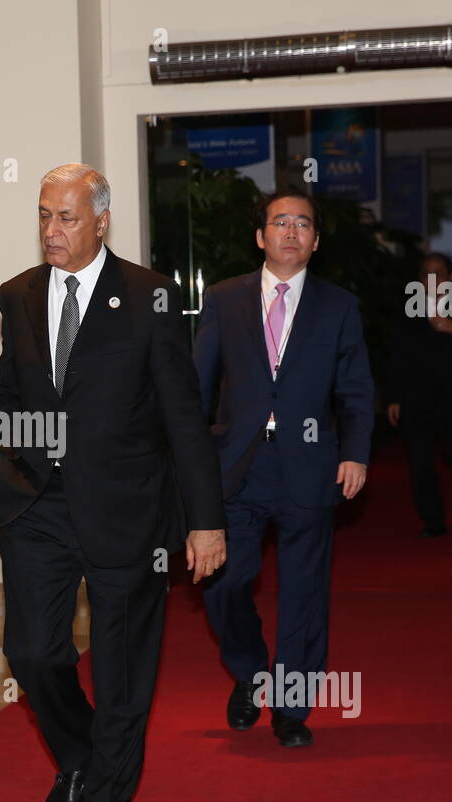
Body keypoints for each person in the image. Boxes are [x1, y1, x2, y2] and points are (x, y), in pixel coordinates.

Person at [0, 163, 225, 802]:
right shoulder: (18, 294)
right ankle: (82, 757)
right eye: (43, 216)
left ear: (101, 221)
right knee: (32, 653)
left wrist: (205, 520)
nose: (50, 231)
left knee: (122, 670)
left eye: (65, 218)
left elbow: (184, 412)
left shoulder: (150, 296)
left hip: (127, 510)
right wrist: (13, 440)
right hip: (37, 503)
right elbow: (7, 387)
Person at [194, 188, 374, 749]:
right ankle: (252, 674)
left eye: (302, 224)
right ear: (260, 236)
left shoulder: (338, 306)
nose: (291, 231)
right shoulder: (224, 300)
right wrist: (189, 465)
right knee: (224, 582)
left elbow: (355, 389)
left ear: (315, 241)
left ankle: (292, 708)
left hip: (309, 465)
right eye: (280, 222)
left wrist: (356, 451)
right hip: (237, 467)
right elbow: (196, 388)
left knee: (304, 592)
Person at [386, 252, 452, 537]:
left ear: (451, 277)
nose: (432, 279)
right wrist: (394, 397)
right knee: (420, 462)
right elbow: (397, 355)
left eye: (438, 273)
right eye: (426, 274)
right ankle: (433, 521)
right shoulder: (407, 307)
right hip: (417, 399)